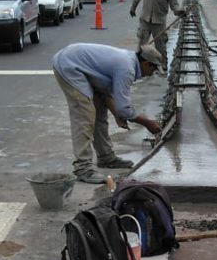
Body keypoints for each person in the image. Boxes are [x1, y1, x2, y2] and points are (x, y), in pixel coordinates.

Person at [52, 43, 165, 184]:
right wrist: (147, 122)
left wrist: (117, 114)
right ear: (147, 64)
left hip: (78, 63)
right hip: (69, 65)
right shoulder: (127, 68)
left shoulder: (128, 62)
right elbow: (124, 107)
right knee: (85, 115)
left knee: (100, 112)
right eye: (153, 69)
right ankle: (83, 168)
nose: (152, 74)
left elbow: (107, 92)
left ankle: (106, 157)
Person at [129, 0, 183, 68]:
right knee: (142, 44)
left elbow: (174, 5)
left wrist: (179, 11)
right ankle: (140, 65)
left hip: (159, 22)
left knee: (160, 46)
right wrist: (133, 7)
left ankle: (163, 65)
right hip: (145, 19)